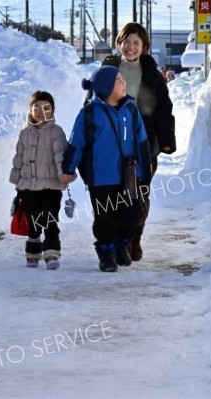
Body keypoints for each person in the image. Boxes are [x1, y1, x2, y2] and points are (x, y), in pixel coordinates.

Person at [61, 66, 152, 273]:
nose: (123, 82)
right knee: (105, 218)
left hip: (128, 175)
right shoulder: (89, 113)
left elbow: (142, 141)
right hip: (101, 177)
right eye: (118, 80)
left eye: (122, 78)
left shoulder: (131, 109)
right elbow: (76, 143)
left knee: (134, 213)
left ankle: (122, 244)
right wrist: (68, 169)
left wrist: (144, 172)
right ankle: (106, 254)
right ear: (105, 87)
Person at [100, 22, 176, 261]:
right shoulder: (108, 69)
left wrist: (165, 140)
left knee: (140, 193)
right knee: (112, 192)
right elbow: (93, 102)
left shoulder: (152, 74)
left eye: (136, 43)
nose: (130, 47)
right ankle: (115, 240)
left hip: (143, 143)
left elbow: (164, 108)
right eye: (127, 42)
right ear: (119, 43)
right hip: (112, 142)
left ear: (143, 46)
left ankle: (134, 238)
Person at [9, 91, 68, 270]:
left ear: (53, 111)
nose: (41, 112)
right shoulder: (24, 132)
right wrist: (17, 180)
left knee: (50, 219)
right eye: (37, 108)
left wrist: (64, 175)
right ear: (30, 110)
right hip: (28, 186)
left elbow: (60, 156)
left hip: (51, 185)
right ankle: (33, 253)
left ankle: (51, 253)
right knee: (33, 221)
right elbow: (19, 156)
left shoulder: (56, 132)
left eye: (46, 108)